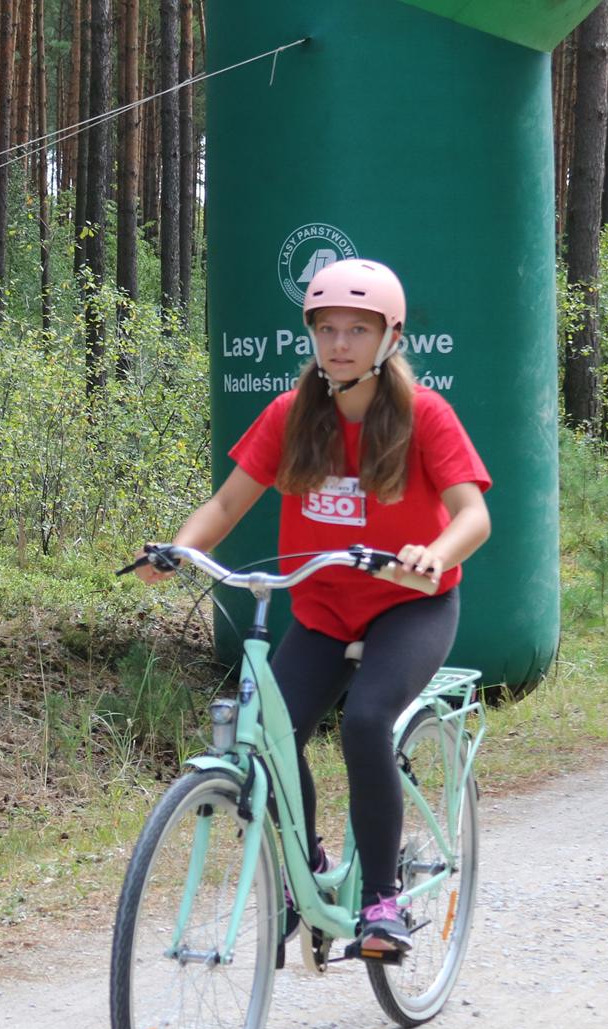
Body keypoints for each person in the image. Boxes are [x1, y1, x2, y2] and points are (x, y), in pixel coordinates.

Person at [136, 258, 491, 960]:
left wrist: (434, 553)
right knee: (270, 734)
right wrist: (177, 548)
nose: (339, 344)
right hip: (325, 608)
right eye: (326, 328)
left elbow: (473, 515)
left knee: (365, 721)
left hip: (411, 605)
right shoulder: (292, 415)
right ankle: (308, 870)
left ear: (390, 337)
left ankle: (381, 900)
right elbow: (226, 504)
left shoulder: (424, 416)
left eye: (357, 330)